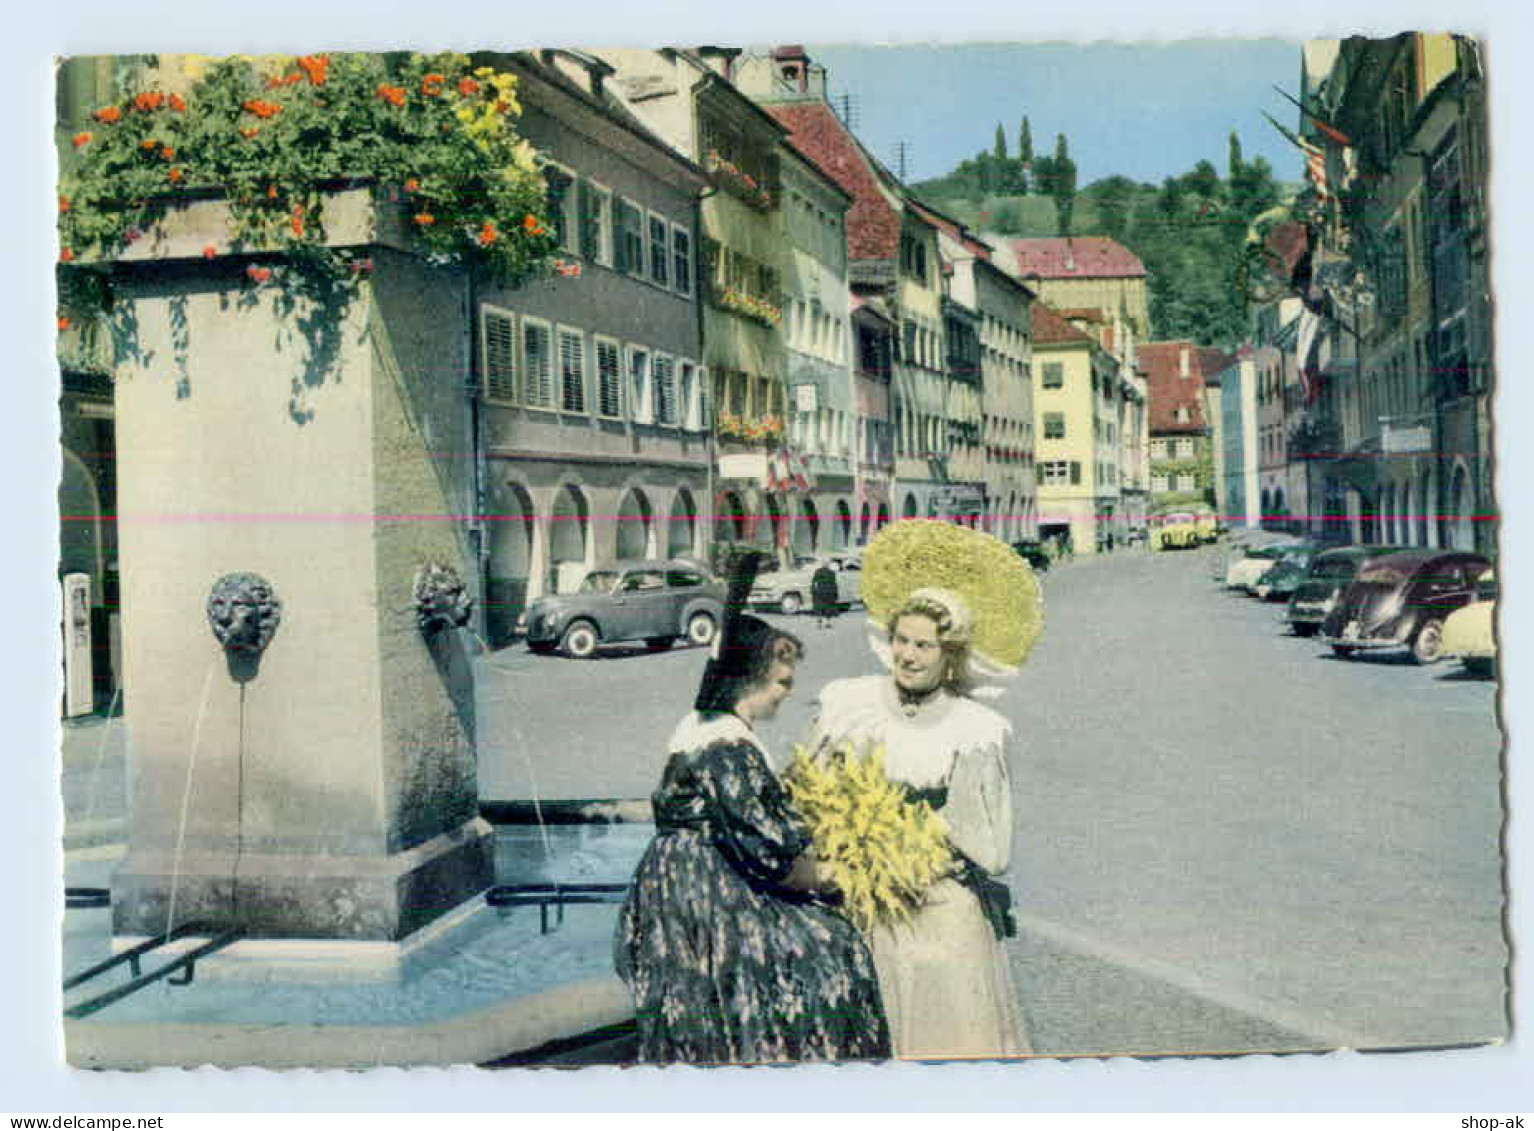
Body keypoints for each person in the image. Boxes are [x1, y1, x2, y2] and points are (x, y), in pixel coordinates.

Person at [614, 551, 891, 1065]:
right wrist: (835, 876)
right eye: (783, 682)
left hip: (676, 885)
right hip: (704, 896)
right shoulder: (727, 747)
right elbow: (769, 853)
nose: (788, 693)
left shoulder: (702, 728)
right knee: (833, 953)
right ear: (751, 680)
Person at [804, 521, 1041, 1060]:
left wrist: (918, 841)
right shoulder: (851, 705)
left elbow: (990, 850)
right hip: (864, 904)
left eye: (924, 646)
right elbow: (807, 797)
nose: (908, 656)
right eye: (901, 641)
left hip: (939, 904)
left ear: (949, 655)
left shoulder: (974, 730)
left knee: (952, 1037)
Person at [811, 561, 839, 629]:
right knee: (828, 607)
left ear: (822, 565)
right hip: (829, 592)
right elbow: (834, 584)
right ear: (828, 565)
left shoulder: (817, 572)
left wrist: (813, 591)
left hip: (819, 592)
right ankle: (828, 623)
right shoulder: (832, 573)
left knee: (819, 607)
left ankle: (819, 624)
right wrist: (836, 594)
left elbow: (814, 582)